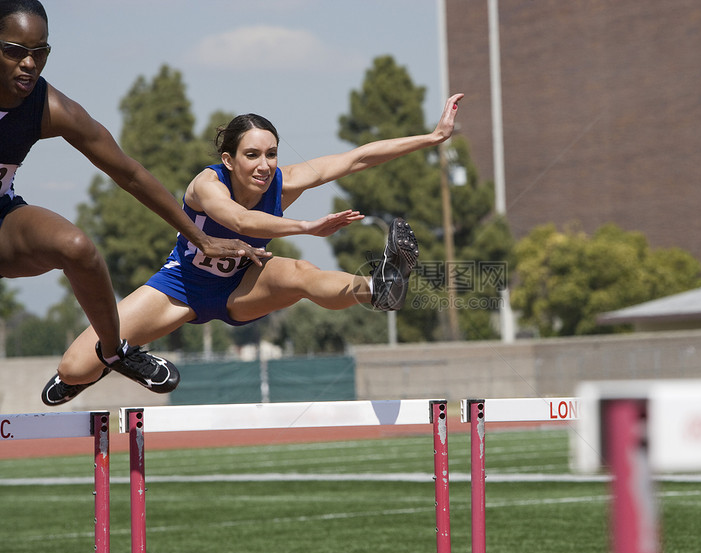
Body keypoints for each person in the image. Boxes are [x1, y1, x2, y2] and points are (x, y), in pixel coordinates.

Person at [42, 90, 465, 405]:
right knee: (74, 368)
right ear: (229, 160)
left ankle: (379, 289)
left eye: (272, 154)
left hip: (244, 286)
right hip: (182, 287)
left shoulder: (282, 182)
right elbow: (240, 221)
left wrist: (431, 138)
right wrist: (305, 225)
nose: (264, 165)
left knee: (301, 275)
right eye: (252, 155)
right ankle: (118, 358)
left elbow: (356, 158)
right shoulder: (206, 186)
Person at [0, 0, 270, 396]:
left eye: (40, 53)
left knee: (78, 248)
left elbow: (129, 173)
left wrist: (201, 239)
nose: (29, 63)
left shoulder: (50, 107)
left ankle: (113, 352)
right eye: (15, 51)